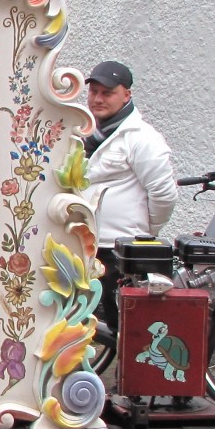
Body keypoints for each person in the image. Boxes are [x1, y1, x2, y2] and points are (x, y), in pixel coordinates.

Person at [82, 60, 177, 330]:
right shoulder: (82, 134)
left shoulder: (142, 138)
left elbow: (164, 195)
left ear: (127, 95)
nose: (98, 99)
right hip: (87, 245)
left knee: (121, 327)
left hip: (121, 251)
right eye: (94, 92)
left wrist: (145, 233)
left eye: (107, 93)